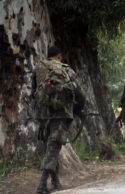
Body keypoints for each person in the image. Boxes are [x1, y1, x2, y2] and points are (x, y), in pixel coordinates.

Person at [33, 45, 86, 194]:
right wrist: (80, 109)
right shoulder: (66, 69)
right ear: (59, 56)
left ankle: (55, 181)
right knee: (53, 147)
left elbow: (33, 91)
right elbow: (79, 93)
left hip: (43, 114)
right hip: (61, 113)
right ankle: (42, 185)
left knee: (50, 146)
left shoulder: (38, 67)